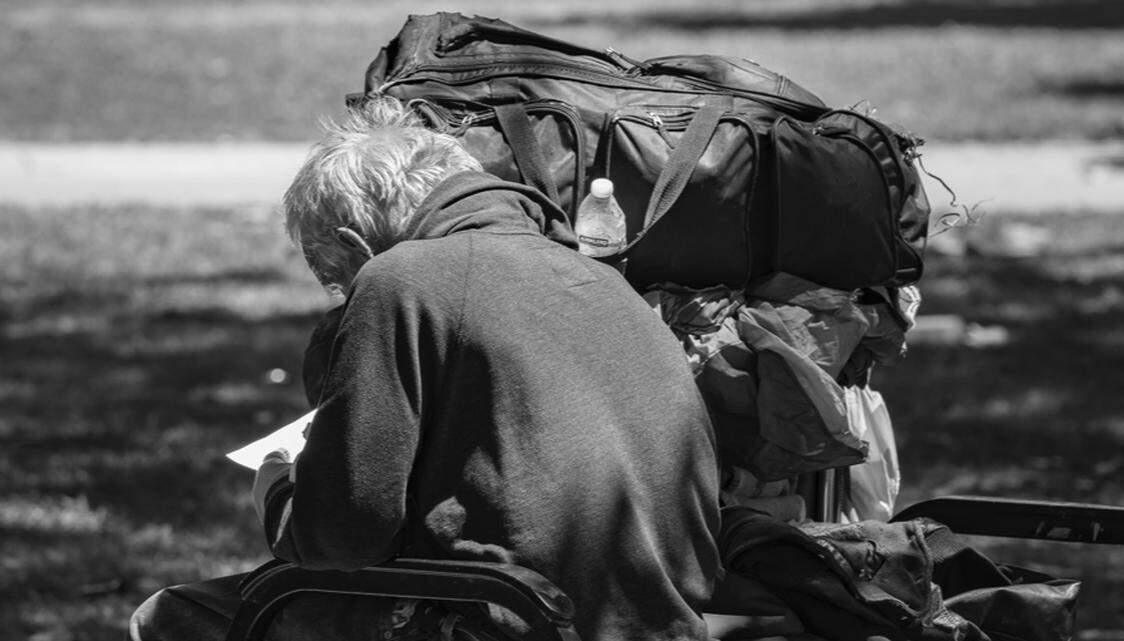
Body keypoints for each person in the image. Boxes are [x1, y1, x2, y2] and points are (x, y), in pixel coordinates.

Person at [130, 97, 721, 641]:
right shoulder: (599, 278)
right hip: (657, 621)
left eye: (340, 285)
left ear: (357, 246)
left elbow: (343, 534)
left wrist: (281, 495)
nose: (347, 298)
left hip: (510, 618)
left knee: (169, 618)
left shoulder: (403, 278)